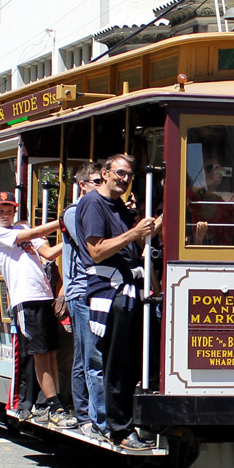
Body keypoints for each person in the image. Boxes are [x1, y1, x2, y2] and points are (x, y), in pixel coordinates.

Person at [78, 154, 163, 451]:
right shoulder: (93, 204)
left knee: (139, 360)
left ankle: (137, 421)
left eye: (129, 175)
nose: (124, 179)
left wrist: (161, 220)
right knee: (118, 364)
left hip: (131, 291)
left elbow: (137, 243)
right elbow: (97, 250)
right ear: (105, 173)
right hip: (111, 293)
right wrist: (135, 232)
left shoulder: (119, 207)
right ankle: (120, 430)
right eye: (120, 173)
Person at [0, 191, 76, 429]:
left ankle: (54, 403)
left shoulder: (22, 227)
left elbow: (48, 253)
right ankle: (53, 405)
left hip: (44, 296)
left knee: (51, 352)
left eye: (9, 211)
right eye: (0, 211)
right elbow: (33, 234)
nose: (5, 215)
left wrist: (72, 238)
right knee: (40, 354)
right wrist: (63, 222)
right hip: (25, 300)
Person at [63, 162, 107, 435]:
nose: (101, 186)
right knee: (86, 354)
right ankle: (84, 416)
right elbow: (92, 247)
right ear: (82, 185)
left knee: (96, 353)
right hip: (81, 290)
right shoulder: (74, 211)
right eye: (96, 181)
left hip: (100, 289)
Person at [188, 154, 234, 246]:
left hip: (226, 250)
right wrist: (202, 183)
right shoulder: (195, 197)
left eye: (218, 168)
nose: (215, 171)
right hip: (197, 250)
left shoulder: (231, 197)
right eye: (209, 168)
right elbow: (180, 198)